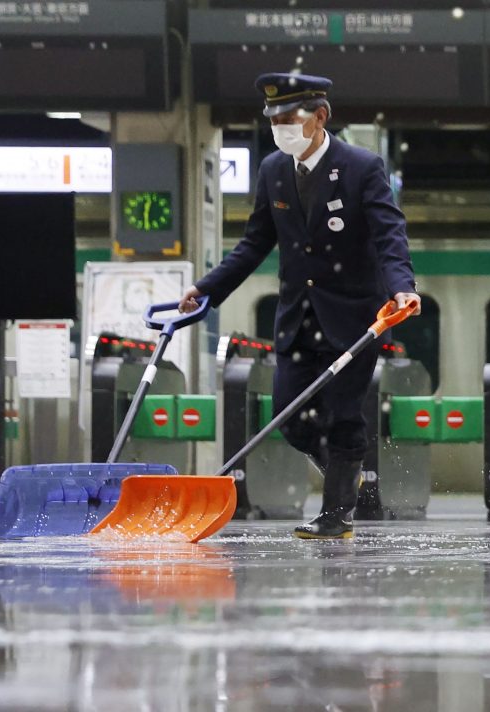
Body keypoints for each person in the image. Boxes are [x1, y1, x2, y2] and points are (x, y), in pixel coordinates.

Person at [179, 72, 421, 539]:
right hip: (296, 318)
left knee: (345, 415)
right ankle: (346, 481)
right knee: (288, 415)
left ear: (320, 117)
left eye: (290, 118)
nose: (280, 127)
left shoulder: (360, 166)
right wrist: (207, 289)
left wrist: (402, 287)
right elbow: (253, 244)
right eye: (274, 119)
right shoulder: (272, 170)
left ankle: (337, 513)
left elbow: (389, 235)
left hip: (354, 317)